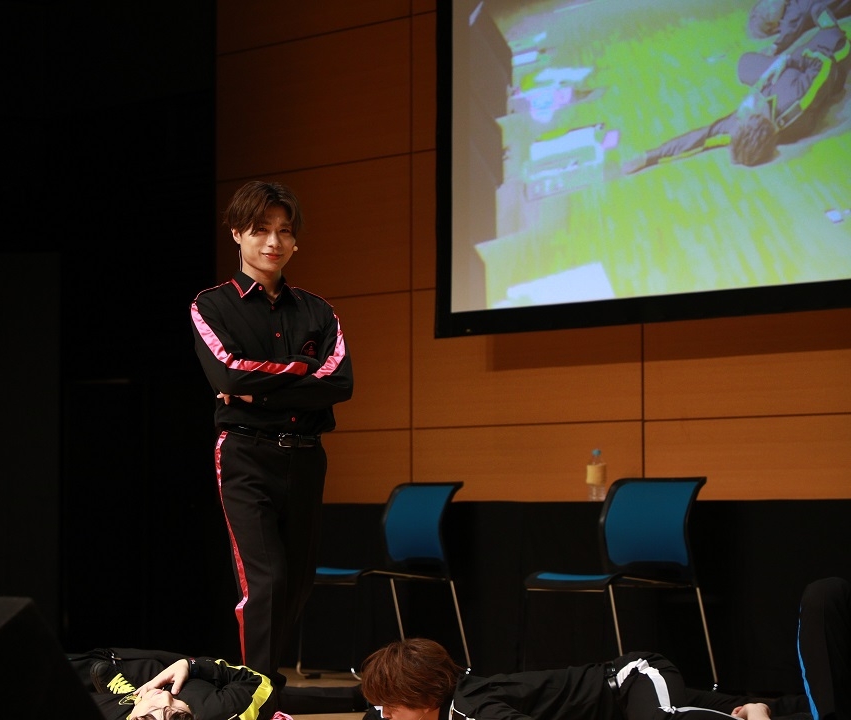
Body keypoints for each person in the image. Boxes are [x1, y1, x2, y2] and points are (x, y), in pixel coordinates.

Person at [190, 180, 354, 685]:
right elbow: (228, 375)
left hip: (306, 457)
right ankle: (257, 699)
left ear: (295, 241)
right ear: (237, 234)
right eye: (261, 230)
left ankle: (260, 688)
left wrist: (259, 389)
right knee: (266, 582)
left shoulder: (318, 310)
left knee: (297, 585)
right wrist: (302, 370)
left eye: (284, 231)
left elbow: (340, 382)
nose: (273, 242)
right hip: (245, 455)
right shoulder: (211, 305)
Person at [358, 577, 850, 720]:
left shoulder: (474, 710)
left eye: (393, 708)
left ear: (425, 696)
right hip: (626, 704)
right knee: (737, 705)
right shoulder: (430, 705)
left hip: (631, 680)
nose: (386, 715)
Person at [624, 6, 850, 172]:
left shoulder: (743, 125)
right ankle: (829, 25)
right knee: (826, 25)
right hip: (823, 60)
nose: (741, 108)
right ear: (760, 119)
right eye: (746, 111)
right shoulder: (797, 100)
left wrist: (649, 157)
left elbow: (700, 137)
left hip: (783, 78)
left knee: (744, 65)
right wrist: (786, 61)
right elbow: (825, 64)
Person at [68, 646, 368, 720]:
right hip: (185, 682)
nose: (164, 706)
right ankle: (360, 696)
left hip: (117, 671)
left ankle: (360, 696)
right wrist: (191, 666)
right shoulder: (214, 708)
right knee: (270, 698)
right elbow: (257, 686)